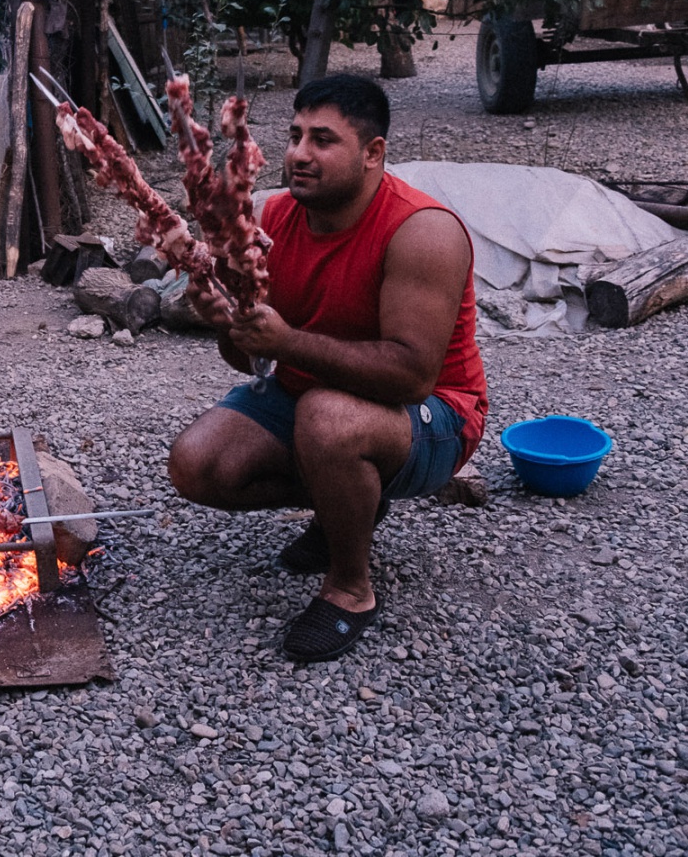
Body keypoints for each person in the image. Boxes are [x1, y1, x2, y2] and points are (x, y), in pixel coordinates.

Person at [168, 74, 488, 662]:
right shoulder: (274, 216)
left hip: (433, 415)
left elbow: (414, 374)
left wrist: (288, 343)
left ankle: (351, 588)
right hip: (314, 390)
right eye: (293, 136)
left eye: (323, 140)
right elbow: (251, 359)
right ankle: (348, 503)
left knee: (326, 420)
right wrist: (227, 322)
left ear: (373, 153)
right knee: (197, 465)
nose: (298, 155)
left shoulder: (424, 231)